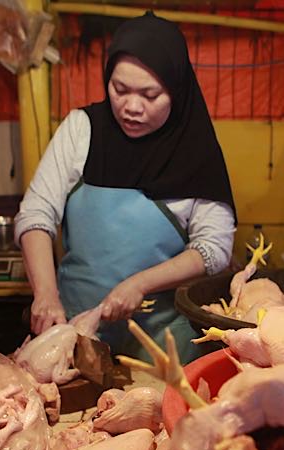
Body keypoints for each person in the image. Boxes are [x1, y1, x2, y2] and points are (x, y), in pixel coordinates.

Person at [14, 13, 236, 363]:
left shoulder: (196, 150)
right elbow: (36, 215)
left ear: (176, 91)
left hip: (162, 346)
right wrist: (45, 295)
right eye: (120, 89)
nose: (131, 107)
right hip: (71, 332)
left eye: (150, 95)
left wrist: (140, 283)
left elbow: (214, 248)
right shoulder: (81, 130)